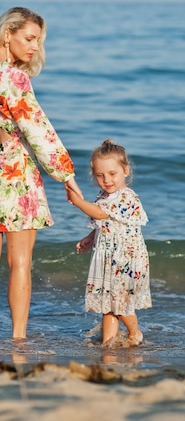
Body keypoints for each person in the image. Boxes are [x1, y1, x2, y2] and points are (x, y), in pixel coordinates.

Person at [0, 7, 82, 340]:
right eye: (29, 38)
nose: (34, 48)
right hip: (18, 176)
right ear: (7, 33)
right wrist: (66, 176)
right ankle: (18, 337)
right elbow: (37, 129)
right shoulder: (14, 77)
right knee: (21, 263)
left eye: (38, 41)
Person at [66, 139, 151, 346]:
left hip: (126, 258)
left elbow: (102, 214)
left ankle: (135, 332)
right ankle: (108, 342)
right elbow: (105, 224)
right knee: (108, 304)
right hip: (107, 256)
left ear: (125, 171)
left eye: (112, 174)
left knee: (120, 303)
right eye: (100, 175)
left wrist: (78, 203)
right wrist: (89, 237)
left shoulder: (126, 197)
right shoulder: (104, 196)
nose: (107, 180)